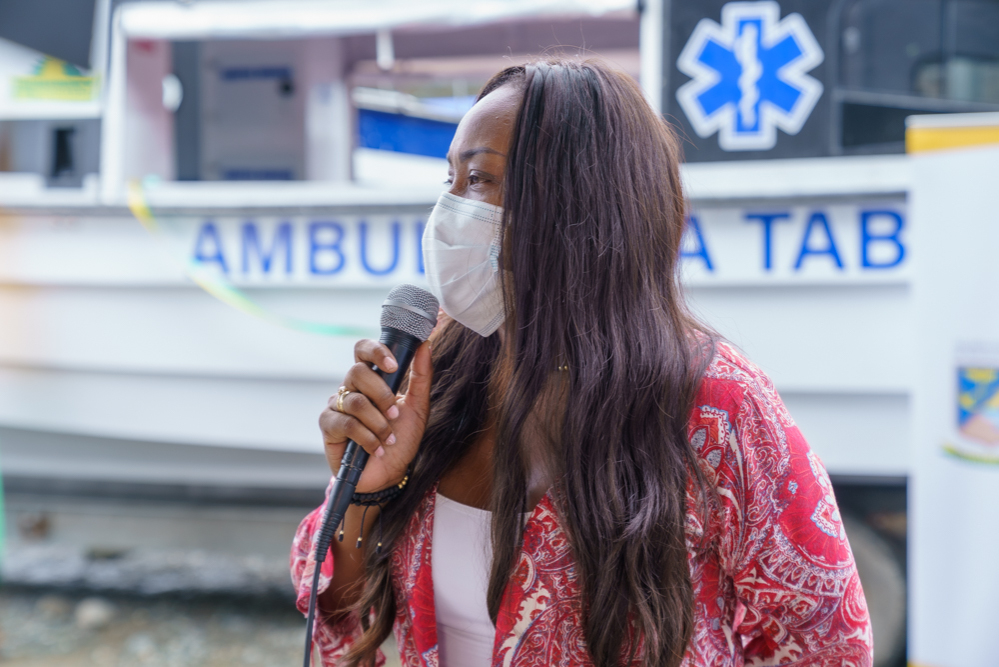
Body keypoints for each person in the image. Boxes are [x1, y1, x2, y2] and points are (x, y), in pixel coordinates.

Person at [291, 59, 873, 667]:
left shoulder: (718, 407)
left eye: (481, 180)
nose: (449, 210)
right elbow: (339, 609)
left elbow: (830, 646)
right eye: (450, 180)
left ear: (580, 207)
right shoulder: (432, 370)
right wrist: (366, 492)